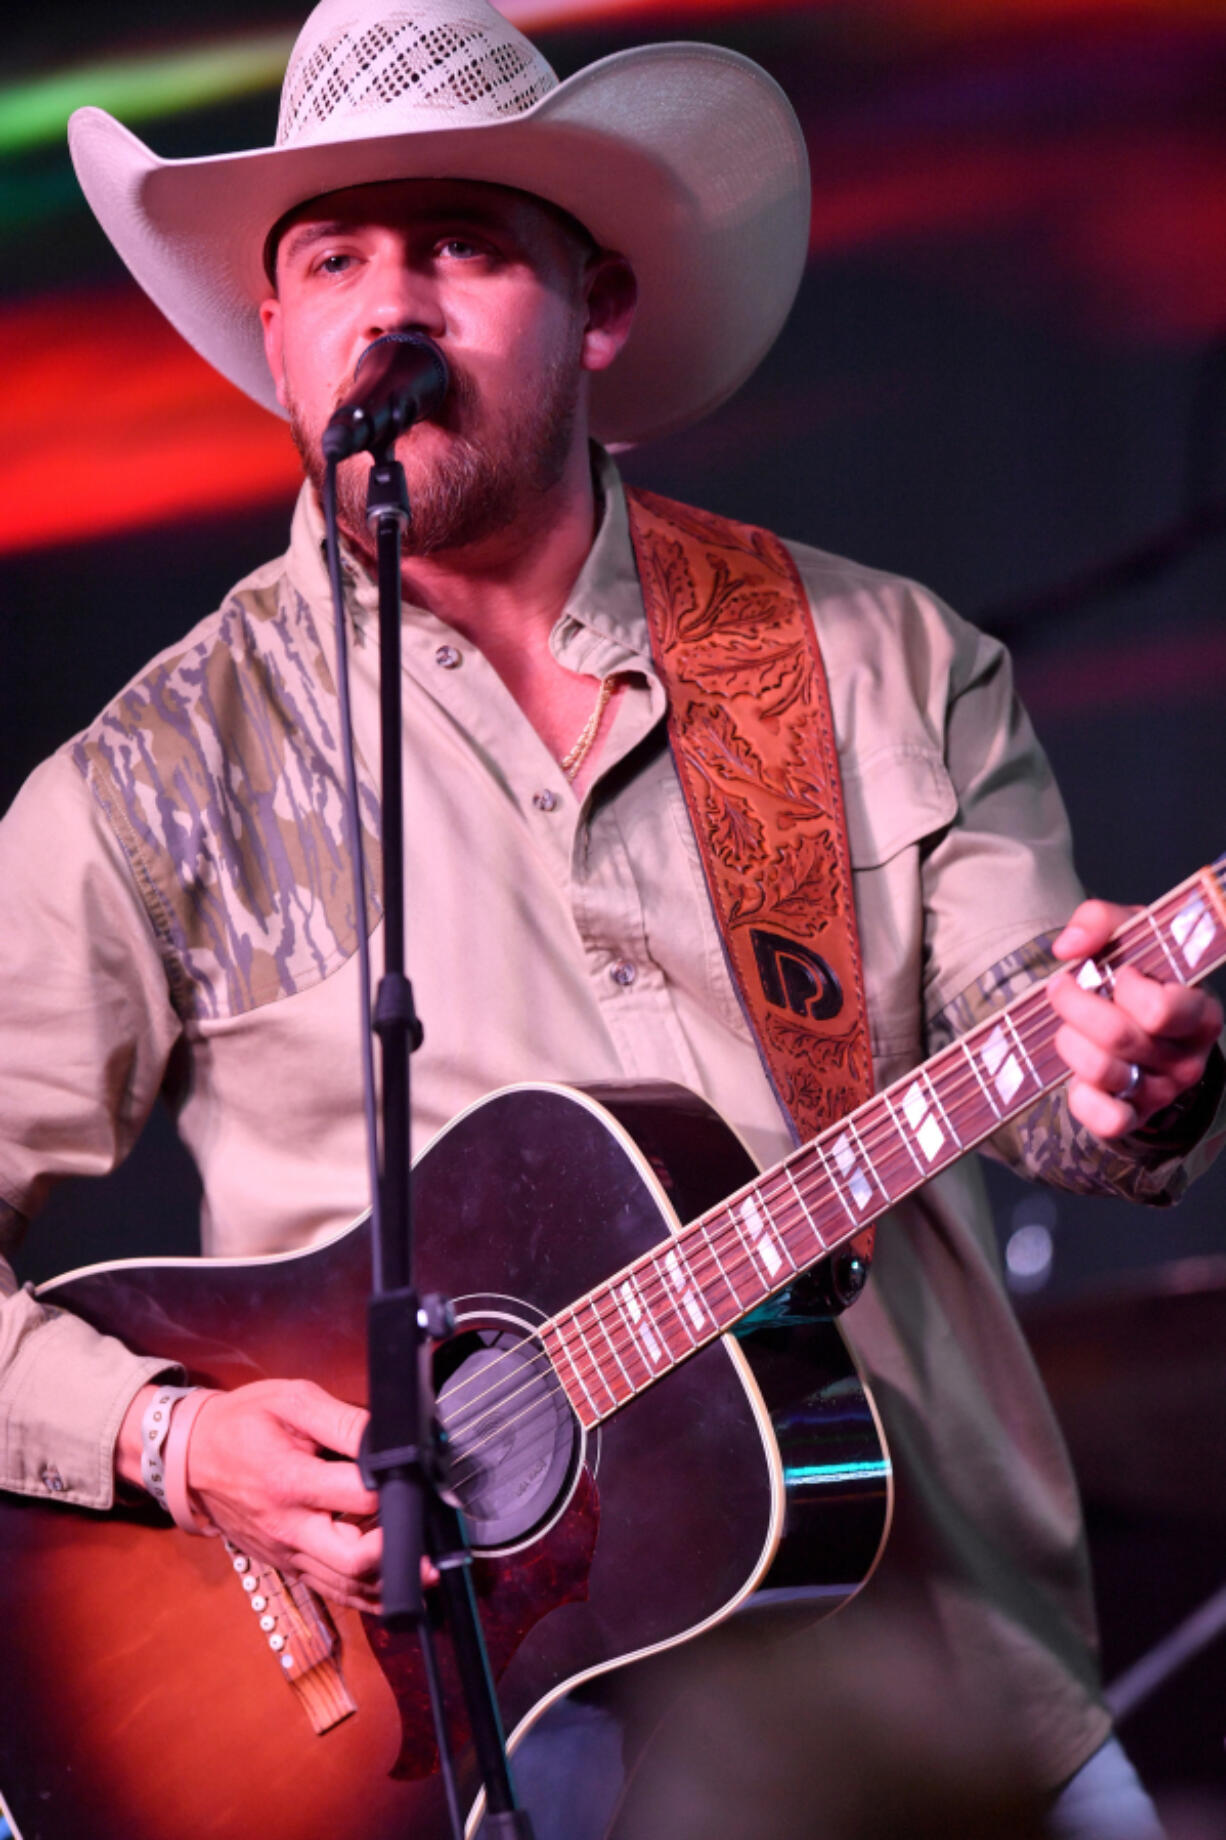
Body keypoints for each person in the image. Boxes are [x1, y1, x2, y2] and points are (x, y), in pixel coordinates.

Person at [1, 0, 1222, 1835]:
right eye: (332, 257)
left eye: (460, 246)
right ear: (273, 335)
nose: (389, 306)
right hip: (437, 1753)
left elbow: (1040, 1051)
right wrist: (162, 1438)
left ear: (599, 303)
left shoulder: (873, 660)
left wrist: (1127, 1071)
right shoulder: (158, 775)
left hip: (934, 1690)